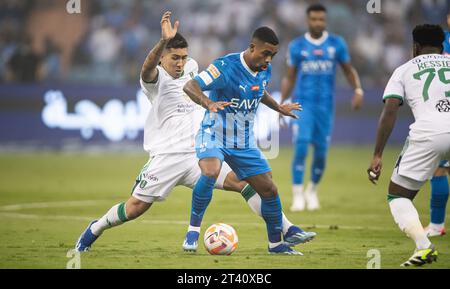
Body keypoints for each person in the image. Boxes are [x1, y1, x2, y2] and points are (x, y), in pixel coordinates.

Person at [75, 12, 304, 252]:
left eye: (184, 57)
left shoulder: (192, 67)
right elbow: (146, 68)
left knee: (246, 183)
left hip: (199, 151)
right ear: (162, 57)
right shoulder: (154, 78)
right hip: (168, 156)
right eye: (174, 58)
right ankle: (95, 229)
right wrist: (163, 41)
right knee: (135, 208)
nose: (180, 63)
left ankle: (284, 230)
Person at [182, 26, 316, 255]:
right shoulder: (225, 66)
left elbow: (258, 91)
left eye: (272, 55)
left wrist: (278, 107)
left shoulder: (265, 69)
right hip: (214, 133)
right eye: (265, 53)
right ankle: (192, 232)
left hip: (243, 142)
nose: (268, 60)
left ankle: (277, 244)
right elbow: (190, 86)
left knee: (269, 189)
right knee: (211, 171)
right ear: (252, 47)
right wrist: (208, 103)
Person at [368, 24, 450, 267]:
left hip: (429, 134)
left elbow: (390, 109)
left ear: (415, 47)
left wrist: (377, 154)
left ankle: (424, 247)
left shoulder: (404, 70)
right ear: (442, 45)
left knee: (398, 195)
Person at [280, 4, 363, 211]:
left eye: (321, 19)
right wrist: (282, 103)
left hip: (325, 107)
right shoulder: (297, 46)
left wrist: (358, 90)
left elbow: (348, 70)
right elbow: (289, 77)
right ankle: (297, 195)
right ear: (308, 21)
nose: (318, 23)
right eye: (314, 19)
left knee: (321, 153)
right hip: (303, 104)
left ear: (325, 21)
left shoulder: (337, 44)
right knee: (301, 146)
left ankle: (312, 190)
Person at [424, 13, 450, 238]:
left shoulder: (442, 44)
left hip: (443, 116)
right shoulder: (443, 41)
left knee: (440, 169)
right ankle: (436, 225)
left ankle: (436, 225)